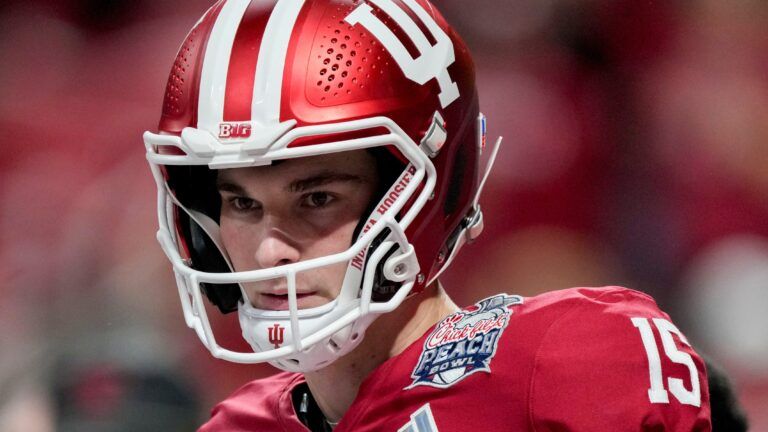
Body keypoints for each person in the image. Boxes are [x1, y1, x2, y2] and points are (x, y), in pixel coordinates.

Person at [143, 0, 712, 430]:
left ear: (425, 195)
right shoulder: (237, 425)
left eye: (316, 198)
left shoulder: (561, 366)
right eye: (243, 202)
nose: (270, 251)